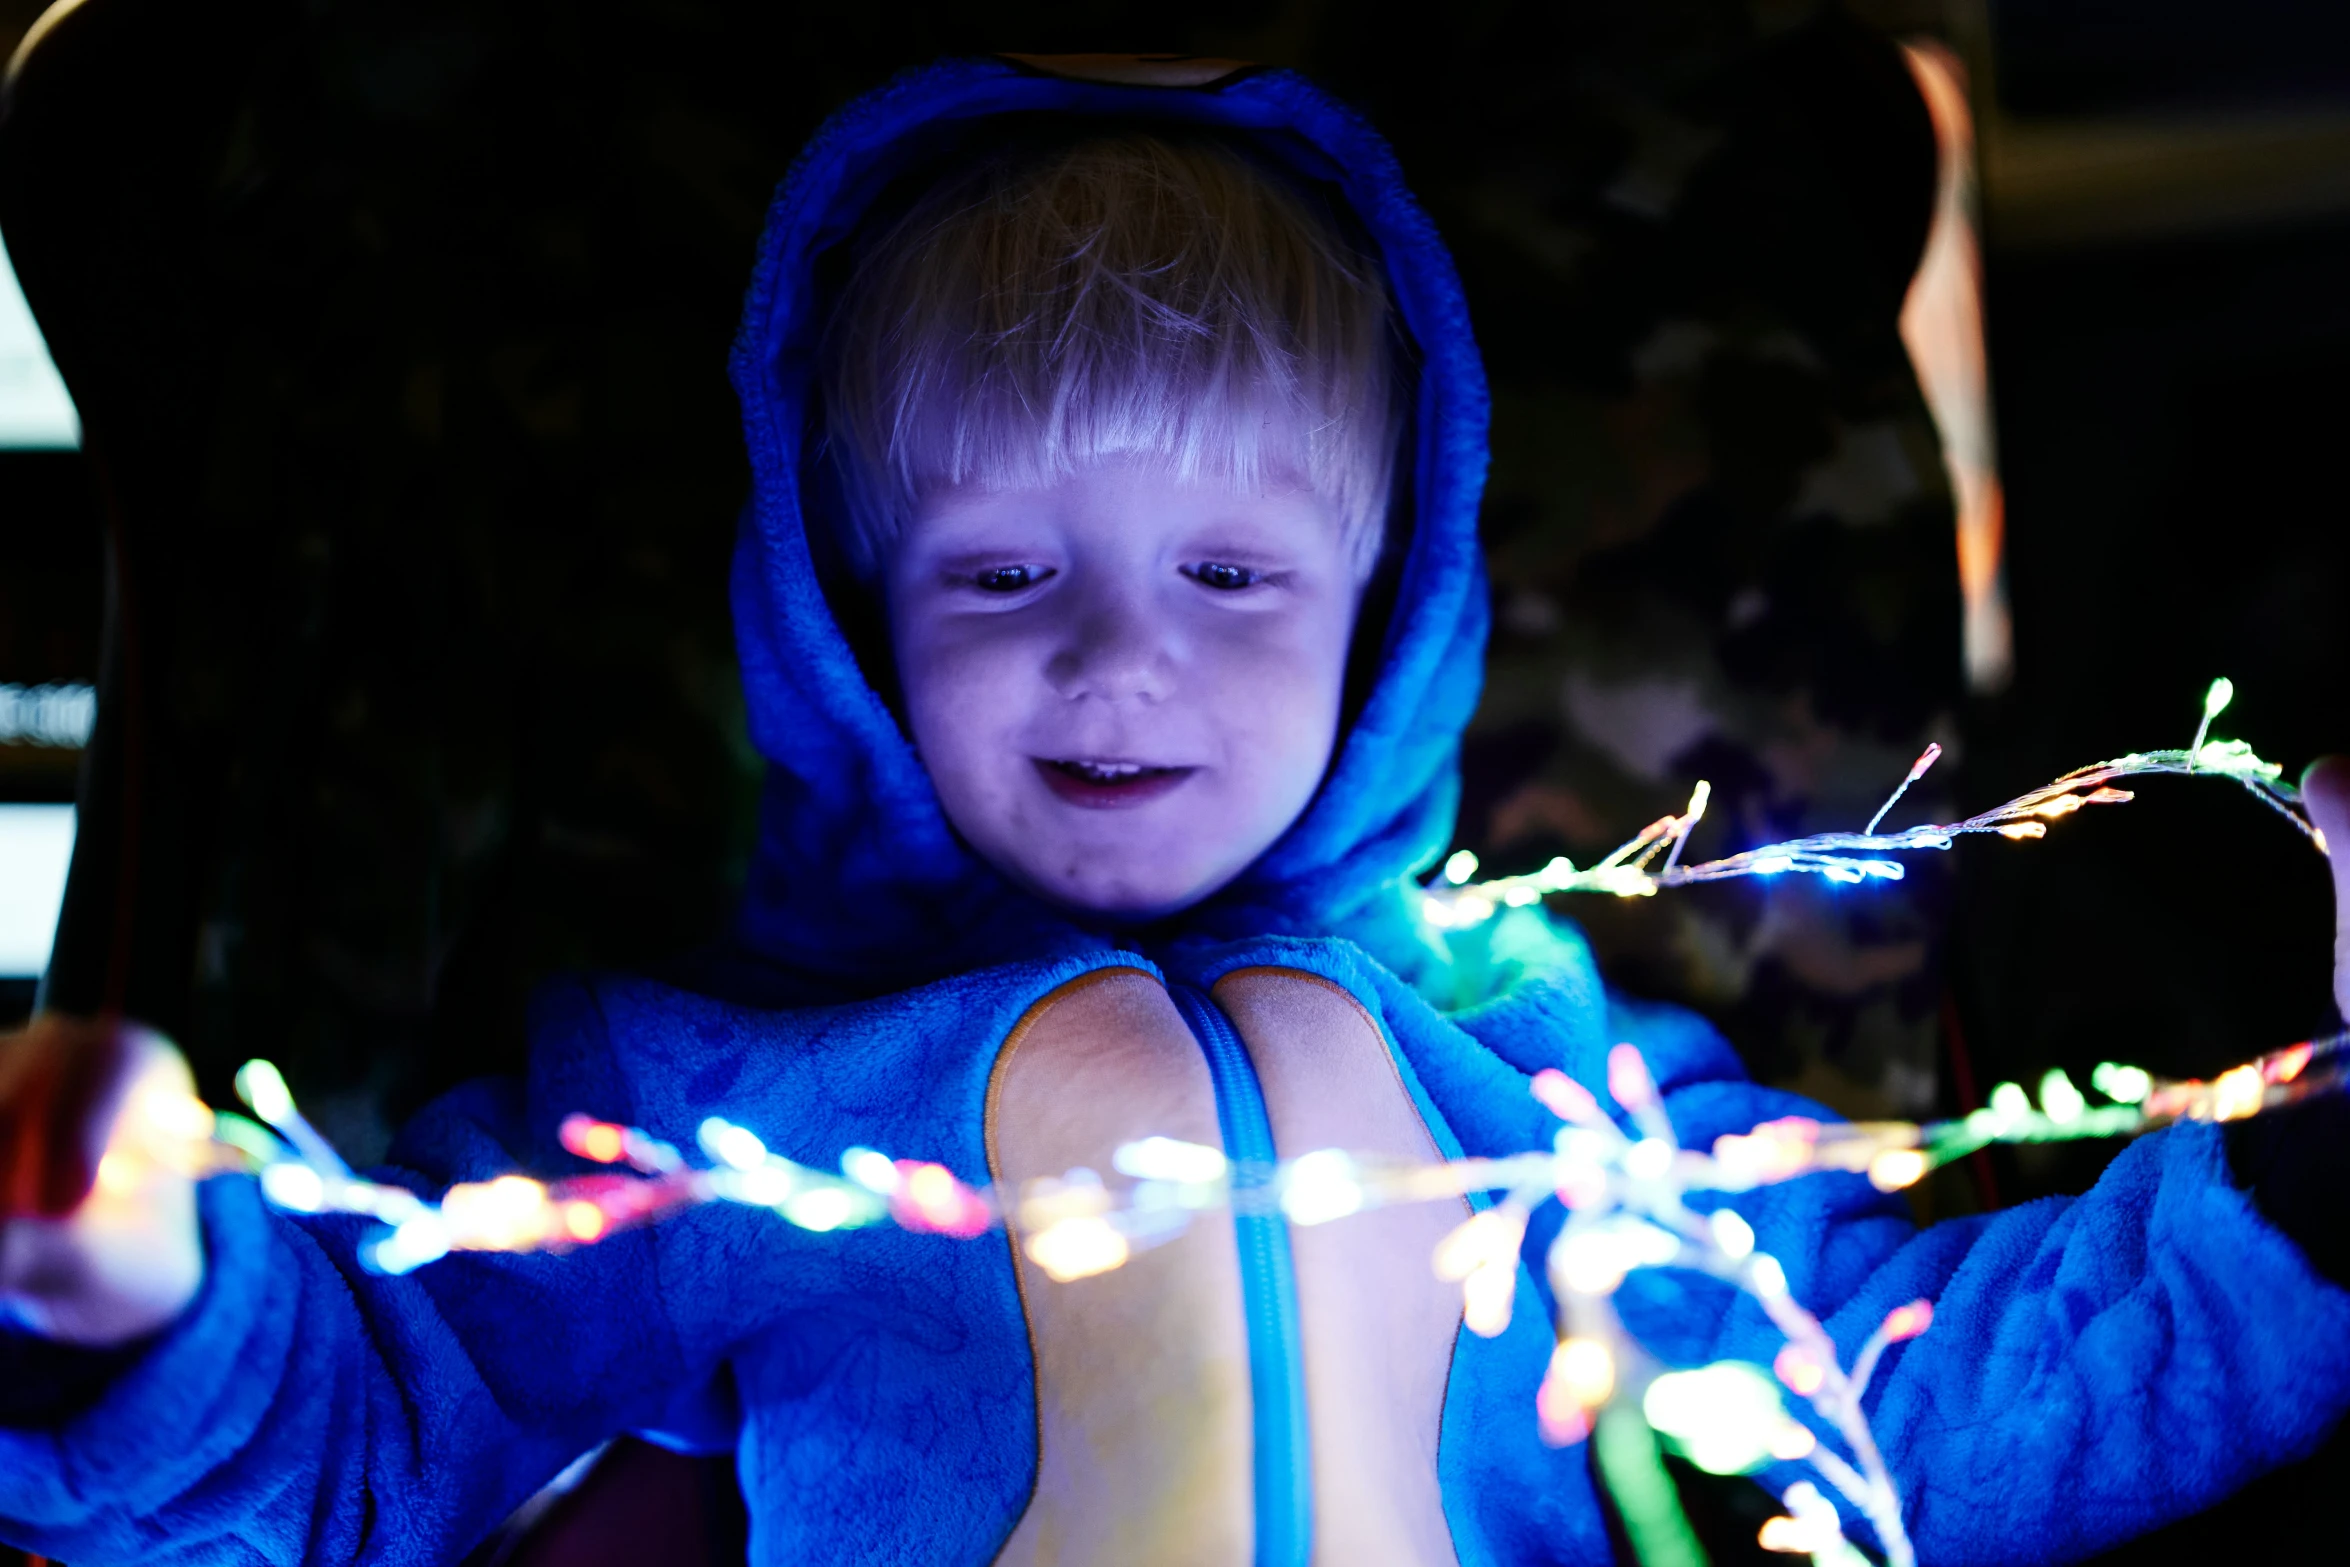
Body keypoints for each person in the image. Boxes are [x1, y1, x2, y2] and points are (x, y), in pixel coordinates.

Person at [4, 53, 2348, 1567]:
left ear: (1381, 613)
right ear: (848, 620)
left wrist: (2319, 1167)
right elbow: (347, 1457)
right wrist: (141, 1289)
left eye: (1230, 578)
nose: (1117, 662)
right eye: (1002, 574)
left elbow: (1935, 1419)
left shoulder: (1542, 1069)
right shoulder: (699, 1095)